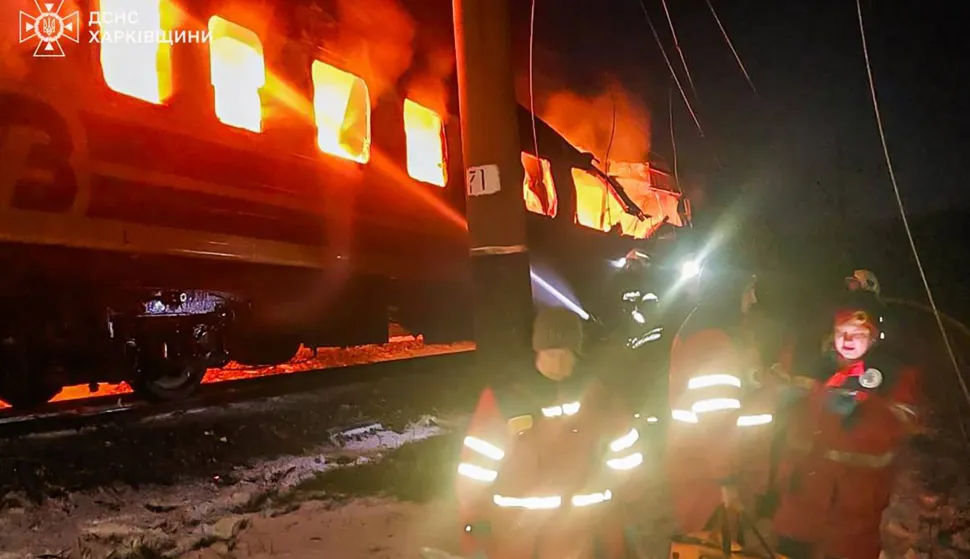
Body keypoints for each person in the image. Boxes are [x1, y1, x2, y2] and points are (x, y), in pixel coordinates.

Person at [454, 306, 644, 559]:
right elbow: (476, 468)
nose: (557, 362)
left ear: (576, 352)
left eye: (565, 353)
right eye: (550, 353)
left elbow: (626, 454)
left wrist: (628, 499)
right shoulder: (505, 399)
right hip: (522, 542)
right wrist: (474, 522)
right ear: (537, 350)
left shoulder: (600, 396)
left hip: (590, 537)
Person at [772, 270, 922, 559]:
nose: (849, 340)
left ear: (875, 339)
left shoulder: (892, 377)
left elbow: (905, 427)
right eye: (843, 333)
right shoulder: (815, 370)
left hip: (855, 518)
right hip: (800, 508)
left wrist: (868, 407)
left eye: (859, 334)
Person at [665, 268, 781, 546]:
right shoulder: (712, 341)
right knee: (715, 547)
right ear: (729, 291)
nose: (752, 298)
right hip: (712, 485)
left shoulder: (718, 333)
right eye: (747, 290)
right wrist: (727, 483)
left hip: (713, 475)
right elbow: (716, 419)